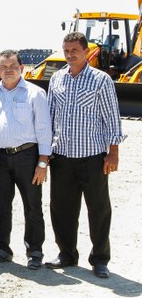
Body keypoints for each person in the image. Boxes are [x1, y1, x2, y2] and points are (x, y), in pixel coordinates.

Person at [45, 32, 124, 279]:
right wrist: (45, 154)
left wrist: (113, 153)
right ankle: (67, 254)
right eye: (66, 51)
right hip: (61, 157)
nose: (70, 55)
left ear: (86, 51)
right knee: (61, 209)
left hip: (93, 157)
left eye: (74, 50)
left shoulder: (101, 80)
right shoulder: (57, 79)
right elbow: (49, 118)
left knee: (98, 209)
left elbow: (112, 117)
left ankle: (100, 259)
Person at [0, 50, 52, 269]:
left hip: (28, 157)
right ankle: (1, 249)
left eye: (13, 66)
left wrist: (43, 162)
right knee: (1, 206)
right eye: (3, 67)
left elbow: (44, 129)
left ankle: (34, 251)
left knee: (32, 205)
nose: (8, 70)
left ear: (22, 68)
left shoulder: (35, 94)